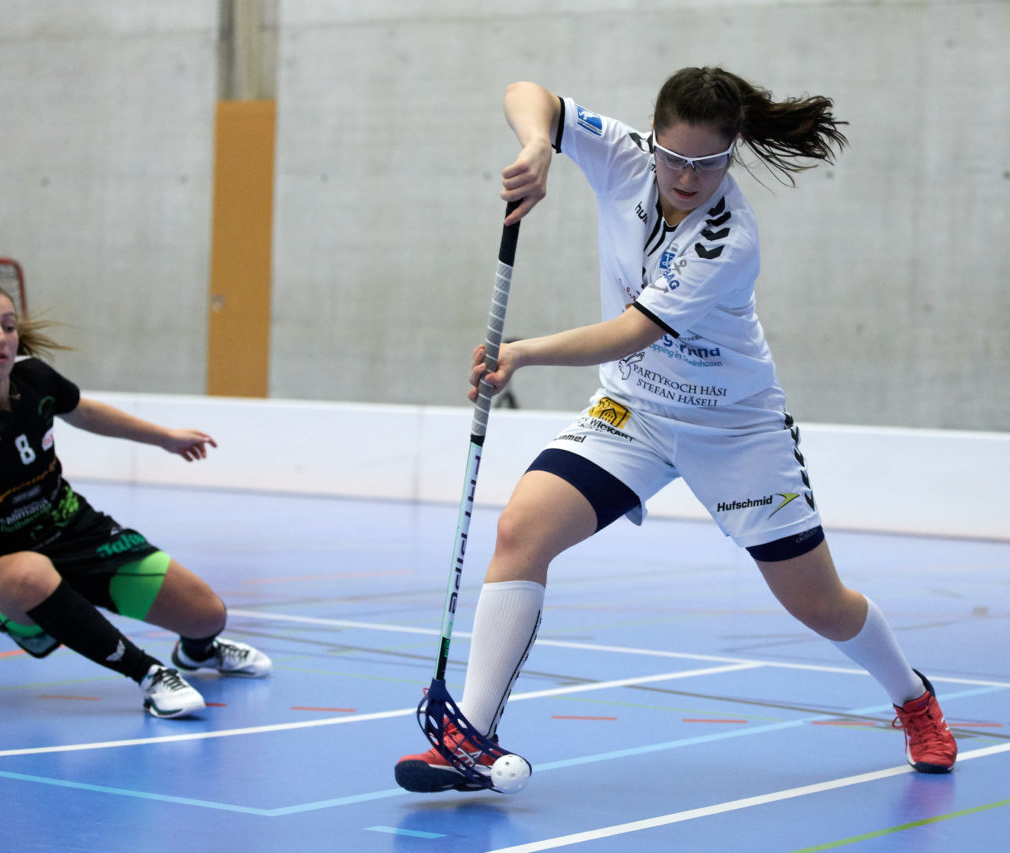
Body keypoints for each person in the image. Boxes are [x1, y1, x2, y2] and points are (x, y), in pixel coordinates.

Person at [395, 67, 956, 791]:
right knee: (521, 529)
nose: (688, 178)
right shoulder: (624, 154)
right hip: (635, 412)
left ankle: (913, 696)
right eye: (675, 157)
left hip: (734, 429)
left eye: (709, 162)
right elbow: (525, 90)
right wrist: (539, 145)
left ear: (732, 153)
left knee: (819, 604)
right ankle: (469, 740)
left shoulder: (729, 240)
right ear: (653, 139)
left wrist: (524, 352)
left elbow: (632, 331)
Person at [0, 279, 272, 718]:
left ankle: (199, 652)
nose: (0, 338)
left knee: (207, 613)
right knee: (31, 575)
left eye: (8, 326)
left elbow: (85, 411)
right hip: (3, 564)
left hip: (75, 529)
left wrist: (164, 438)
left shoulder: (34, 377)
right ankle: (149, 674)